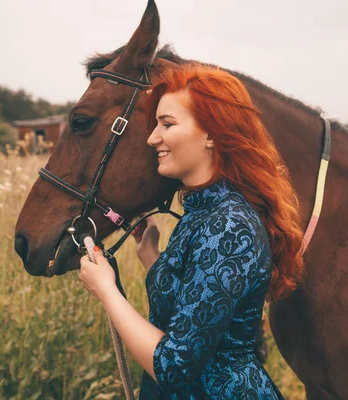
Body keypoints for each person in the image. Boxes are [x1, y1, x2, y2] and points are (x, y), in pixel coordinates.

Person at [78, 65, 305, 399]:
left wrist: (107, 290)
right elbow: (196, 307)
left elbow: (174, 366)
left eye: (167, 124)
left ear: (211, 133)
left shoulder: (228, 223)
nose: (152, 137)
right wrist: (152, 257)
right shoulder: (204, 210)